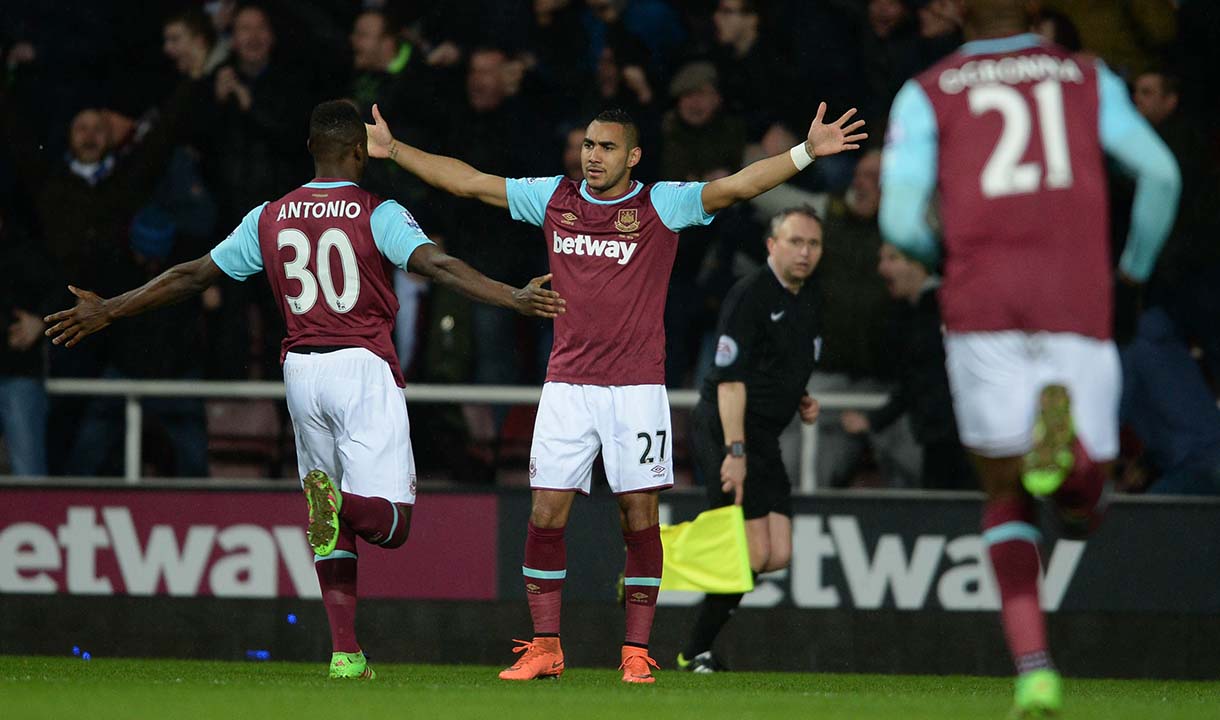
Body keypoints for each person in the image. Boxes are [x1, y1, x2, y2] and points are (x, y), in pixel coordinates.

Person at [43, 100, 564, 680]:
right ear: (360, 153)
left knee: (329, 522)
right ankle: (340, 519)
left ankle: (345, 653)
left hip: (299, 375)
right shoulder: (377, 212)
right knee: (391, 524)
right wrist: (512, 297)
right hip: (361, 369)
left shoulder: (268, 216)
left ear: (310, 149)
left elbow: (193, 274)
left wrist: (111, 308)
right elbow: (438, 267)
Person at [366, 97, 866, 682]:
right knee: (546, 514)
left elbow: (734, 188)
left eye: (606, 147)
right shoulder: (555, 198)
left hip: (635, 391)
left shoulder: (660, 204)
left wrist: (806, 152)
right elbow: (475, 183)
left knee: (638, 517)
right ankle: (545, 646)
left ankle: (635, 653)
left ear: (633, 155)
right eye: (587, 146)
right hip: (567, 386)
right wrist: (394, 149)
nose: (593, 157)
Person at [879, 0, 1180, 716]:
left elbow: (896, 219)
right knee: (1085, 507)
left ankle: (1035, 668)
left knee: (1004, 493)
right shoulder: (1084, 75)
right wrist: (1132, 272)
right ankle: (1068, 461)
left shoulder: (926, 91)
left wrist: (950, 256)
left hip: (982, 304)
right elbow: (1161, 177)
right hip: (1075, 296)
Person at [677, 206, 824, 672]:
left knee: (776, 553)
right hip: (728, 427)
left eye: (813, 244)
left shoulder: (807, 300)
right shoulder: (750, 295)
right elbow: (731, 380)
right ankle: (691, 643)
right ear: (771, 245)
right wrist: (734, 452)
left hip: (764, 432)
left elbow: (778, 361)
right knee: (751, 551)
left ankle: (663, 559)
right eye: (795, 241)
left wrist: (799, 396)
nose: (804, 252)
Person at [841, 243, 973, 490]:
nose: (882, 268)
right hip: (944, 437)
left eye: (892, 258)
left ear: (918, 264)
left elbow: (921, 380)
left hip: (952, 442)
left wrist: (876, 419)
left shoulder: (937, 314)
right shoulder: (915, 313)